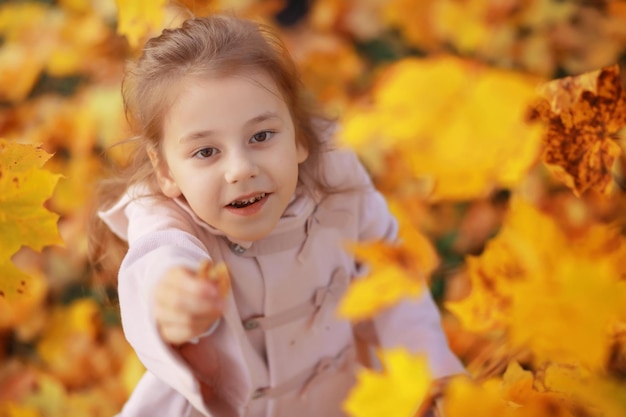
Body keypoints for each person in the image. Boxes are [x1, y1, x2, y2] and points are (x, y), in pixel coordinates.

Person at [92, 13, 465, 417]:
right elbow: (160, 258)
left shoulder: (338, 186)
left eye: (261, 136)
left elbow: (392, 282)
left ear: (300, 137)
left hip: (339, 398)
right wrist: (172, 296)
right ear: (166, 171)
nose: (241, 168)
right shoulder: (166, 221)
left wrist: (431, 375)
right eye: (205, 152)